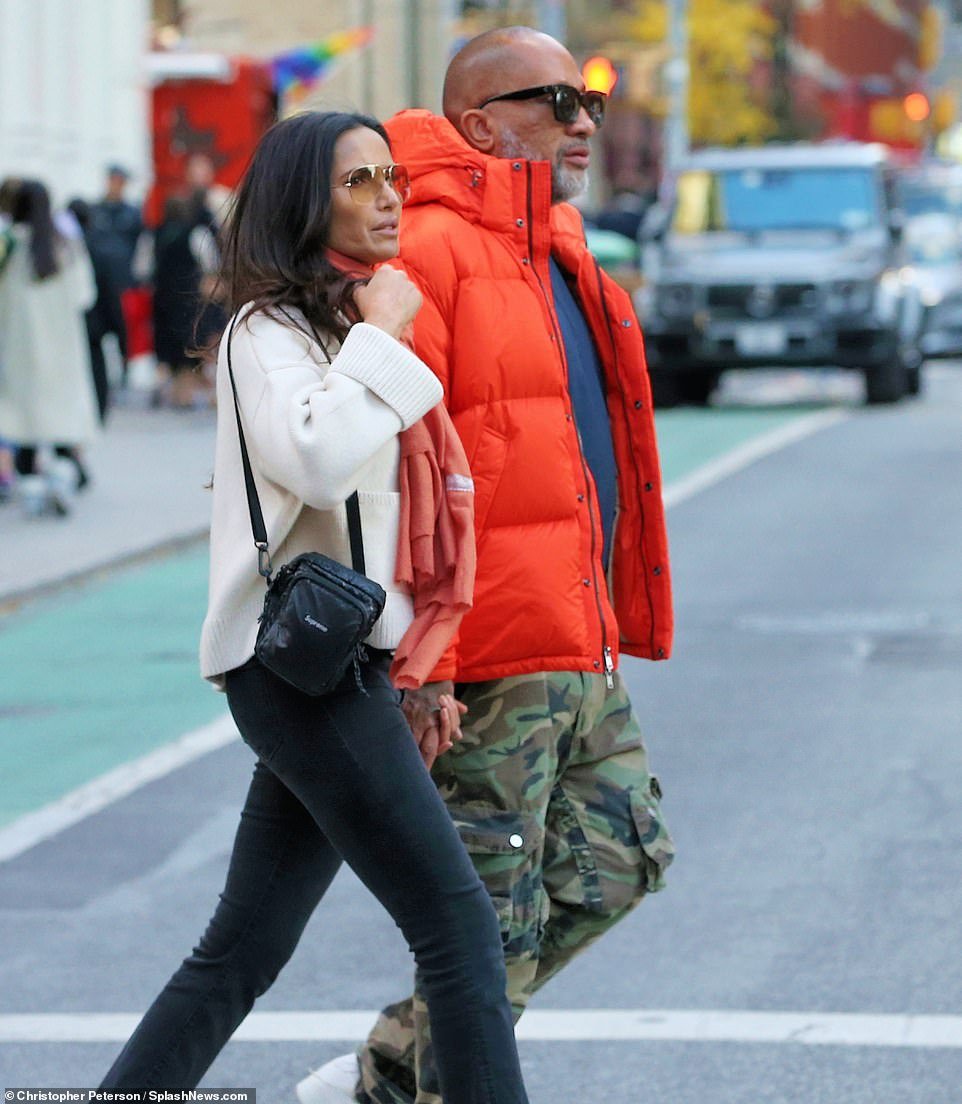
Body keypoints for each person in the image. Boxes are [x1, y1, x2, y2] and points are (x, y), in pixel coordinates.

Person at [99, 110, 530, 1104]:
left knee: (241, 949)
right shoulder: (268, 331)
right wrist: (380, 335)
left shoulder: (342, 320)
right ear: (306, 201)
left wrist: (421, 668)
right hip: (302, 670)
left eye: (390, 178)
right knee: (456, 923)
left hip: (347, 664)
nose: (387, 198)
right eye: (357, 182)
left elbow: (392, 517)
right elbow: (316, 458)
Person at [297, 27, 675, 1104]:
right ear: (478, 124)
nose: (583, 123)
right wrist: (430, 662)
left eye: (589, 102)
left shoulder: (550, 242)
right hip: (490, 651)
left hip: (573, 629)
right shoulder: (428, 248)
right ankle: (421, 1080)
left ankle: (391, 1064)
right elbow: (400, 471)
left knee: (619, 862)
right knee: (485, 921)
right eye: (555, 102)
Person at [0, 178, 99, 515]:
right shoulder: (67, 247)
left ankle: (32, 486)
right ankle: (61, 478)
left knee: (24, 425)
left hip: (20, 351)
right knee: (61, 423)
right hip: (63, 351)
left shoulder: (10, 248)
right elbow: (85, 296)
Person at [87, 164, 143, 388]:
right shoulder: (95, 211)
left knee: (123, 330)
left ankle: (125, 371)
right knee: (97, 330)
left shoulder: (132, 213)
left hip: (122, 282)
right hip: (98, 282)